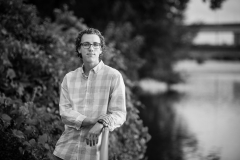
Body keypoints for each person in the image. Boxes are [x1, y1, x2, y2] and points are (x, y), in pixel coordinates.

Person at [53, 28, 127, 160]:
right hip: (64, 152)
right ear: (79, 49)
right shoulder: (69, 78)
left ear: (101, 49)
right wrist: (93, 121)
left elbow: (119, 114)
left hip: (93, 153)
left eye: (95, 44)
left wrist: (100, 124)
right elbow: (65, 113)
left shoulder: (113, 76)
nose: (91, 48)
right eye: (86, 44)